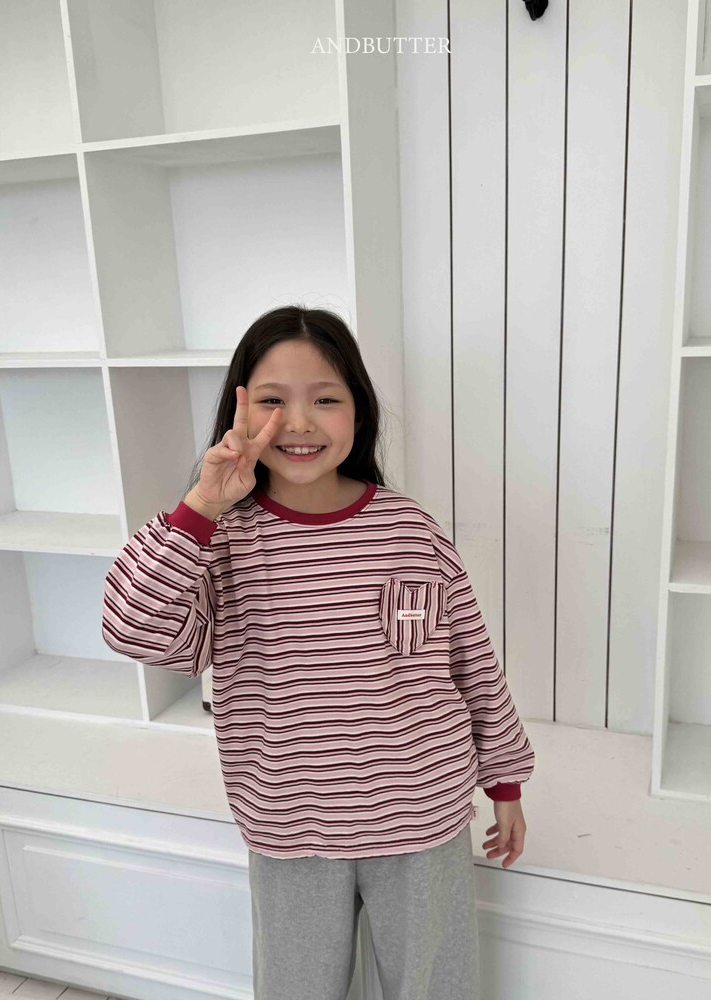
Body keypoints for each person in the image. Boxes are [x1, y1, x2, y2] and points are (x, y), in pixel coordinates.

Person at [102, 305, 535, 1000]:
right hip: (289, 823)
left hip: (422, 815)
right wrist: (201, 506)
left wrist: (505, 783)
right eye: (272, 401)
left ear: (358, 411)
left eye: (325, 400)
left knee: (435, 987)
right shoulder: (219, 538)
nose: (299, 423)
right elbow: (133, 629)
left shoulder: (409, 529)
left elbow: (471, 665)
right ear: (239, 413)